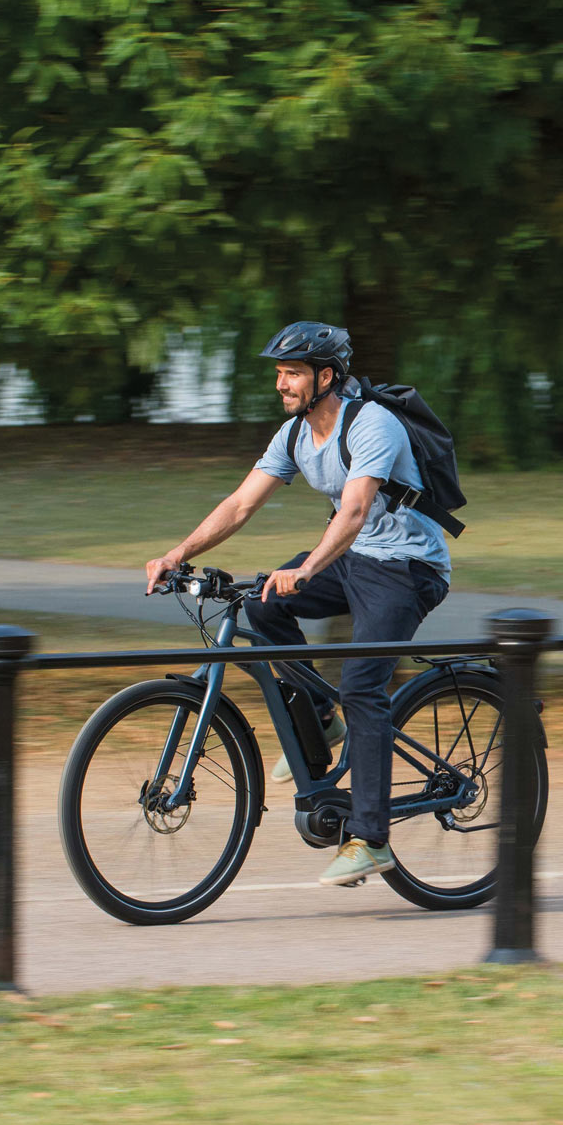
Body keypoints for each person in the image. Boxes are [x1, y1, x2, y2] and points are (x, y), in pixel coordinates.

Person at [144, 321, 452, 887]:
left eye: (292, 374)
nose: (281, 384)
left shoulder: (371, 424)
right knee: (262, 605)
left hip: (407, 568)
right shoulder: (293, 434)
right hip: (351, 560)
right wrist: (177, 552)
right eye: (280, 374)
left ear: (325, 376)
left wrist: (308, 568)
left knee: (362, 683)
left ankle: (370, 839)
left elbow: (355, 512)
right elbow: (239, 504)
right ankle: (319, 723)